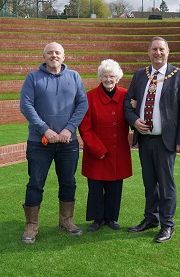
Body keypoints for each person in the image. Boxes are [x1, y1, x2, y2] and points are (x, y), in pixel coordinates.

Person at [124, 36, 180, 243]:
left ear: (168, 51)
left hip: (167, 140)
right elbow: (128, 104)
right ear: (148, 52)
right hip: (145, 139)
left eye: (161, 49)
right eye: (154, 49)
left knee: (166, 185)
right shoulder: (140, 75)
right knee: (149, 183)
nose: (158, 53)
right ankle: (151, 219)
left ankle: (167, 225)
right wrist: (135, 121)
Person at [19, 42, 89, 244]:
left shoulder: (74, 76)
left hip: (68, 142)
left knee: (68, 181)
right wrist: (45, 130)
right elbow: (26, 105)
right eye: (50, 53)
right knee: (35, 183)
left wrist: (69, 129)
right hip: (39, 142)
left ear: (64, 56)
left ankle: (66, 220)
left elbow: (82, 103)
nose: (54, 55)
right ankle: (31, 225)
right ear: (44, 57)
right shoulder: (33, 78)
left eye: (57, 52)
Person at [79, 59, 132, 232]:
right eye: (105, 76)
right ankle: (97, 219)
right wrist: (97, 149)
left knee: (115, 188)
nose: (108, 79)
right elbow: (84, 127)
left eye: (112, 76)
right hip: (97, 152)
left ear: (118, 78)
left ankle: (111, 218)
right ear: (100, 77)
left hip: (118, 153)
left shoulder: (126, 95)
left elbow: (133, 117)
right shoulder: (90, 96)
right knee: (95, 187)